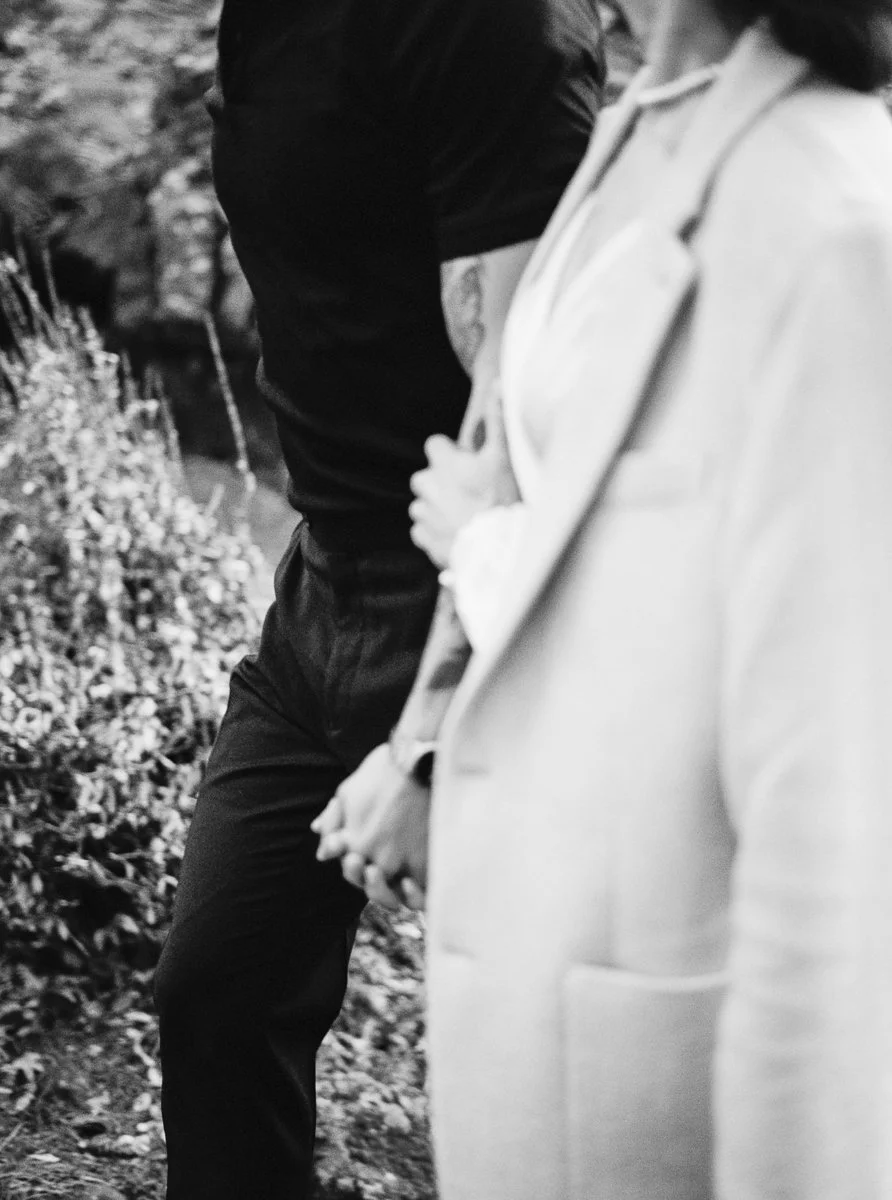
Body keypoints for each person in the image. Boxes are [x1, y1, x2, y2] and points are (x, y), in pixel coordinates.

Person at [317, 0, 892, 1196]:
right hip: (535, 995)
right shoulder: (628, 128)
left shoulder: (834, 217)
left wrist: (485, 546)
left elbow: (828, 802)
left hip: (674, 1066)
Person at [152, 1, 605, 1196]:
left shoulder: (491, 26)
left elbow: (530, 401)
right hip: (322, 589)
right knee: (217, 994)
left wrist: (428, 741)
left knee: (543, 1082)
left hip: (479, 599)